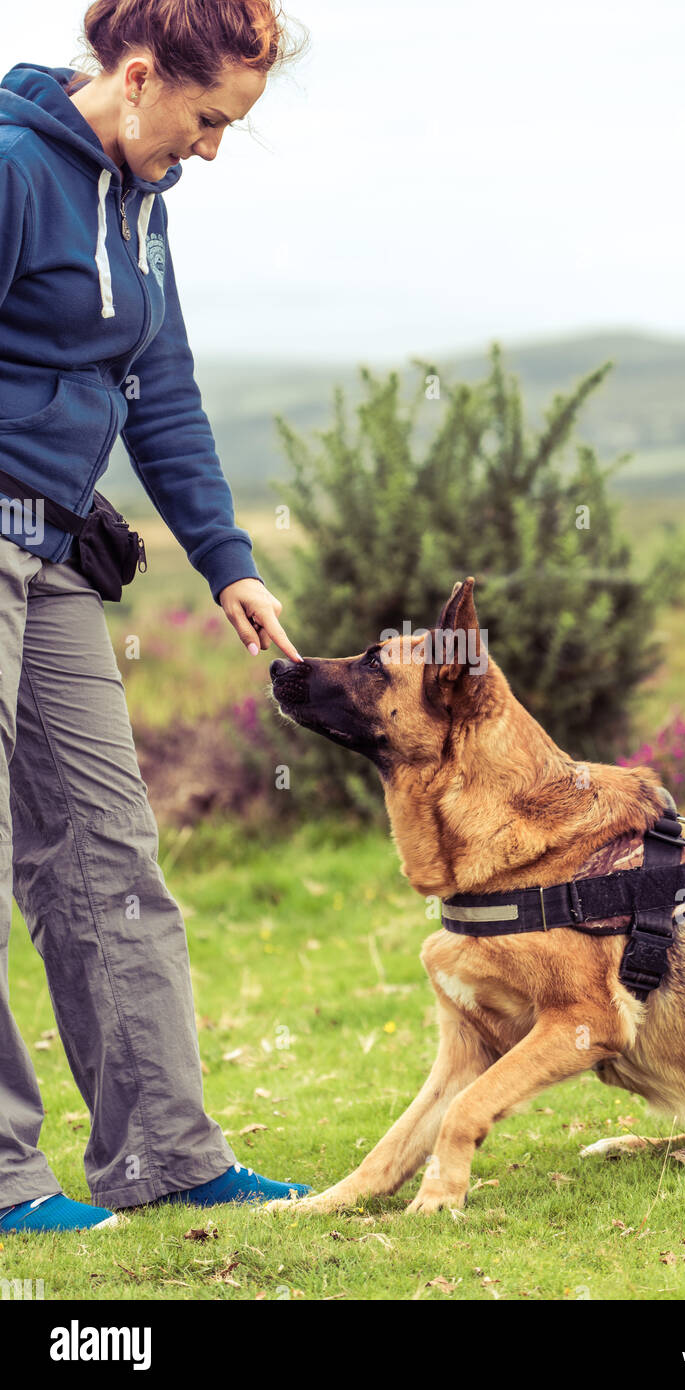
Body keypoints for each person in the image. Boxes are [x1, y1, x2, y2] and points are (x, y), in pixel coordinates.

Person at [0, 0, 311, 1233]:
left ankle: (166, 1153)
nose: (212, 149)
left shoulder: (142, 204)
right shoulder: (17, 172)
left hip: (59, 549)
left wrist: (225, 558)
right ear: (137, 78)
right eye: (207, 121)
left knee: (106, 851)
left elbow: (158, 386)